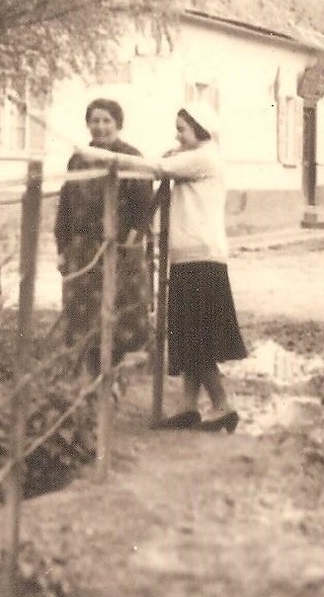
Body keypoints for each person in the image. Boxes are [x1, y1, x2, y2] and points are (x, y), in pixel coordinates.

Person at [78, 105, 246, 432]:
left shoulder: (204, 158)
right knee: (187, 334)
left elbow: (154, 167)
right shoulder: (195, 156)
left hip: (201, 258)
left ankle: (222, 405)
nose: (177, 135)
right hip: (189, 257)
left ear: (199, 130)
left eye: (182, 129)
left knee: (197, 337)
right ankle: (188, 406)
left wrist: (104, 158)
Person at [54, 98, 154, 375]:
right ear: (88, 124)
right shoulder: (79, 159)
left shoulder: (131, 157)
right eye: (95, 121)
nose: (100, 127)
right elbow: (66, 204)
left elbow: (143, 206)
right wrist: (62, 246)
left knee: (119, 315)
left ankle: (114, 374)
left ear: (118, 124)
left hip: (118, 249)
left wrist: (130, 242)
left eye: (106, 120)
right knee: (82, 317)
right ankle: (88, 375)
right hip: (83, 251)